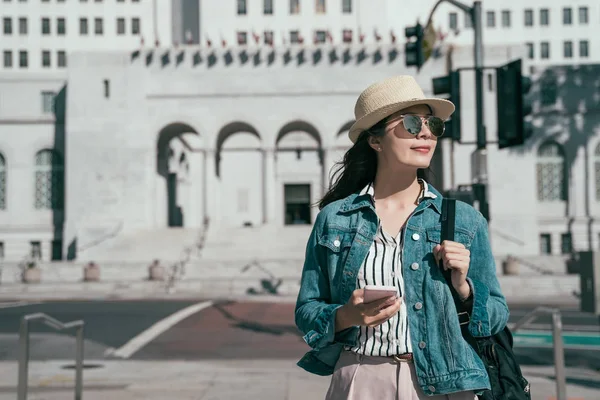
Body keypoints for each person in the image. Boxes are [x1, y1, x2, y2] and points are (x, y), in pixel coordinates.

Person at [294, 76, 509, 400]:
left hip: (447, 386)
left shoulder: (463, 220)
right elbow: (307, 310)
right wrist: (346, 316)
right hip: (361, 379)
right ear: (375, 140)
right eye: (410, 122)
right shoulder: (336, 219)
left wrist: (464, 290)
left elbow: (495, 316)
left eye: (432, 124)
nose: (425, 132)